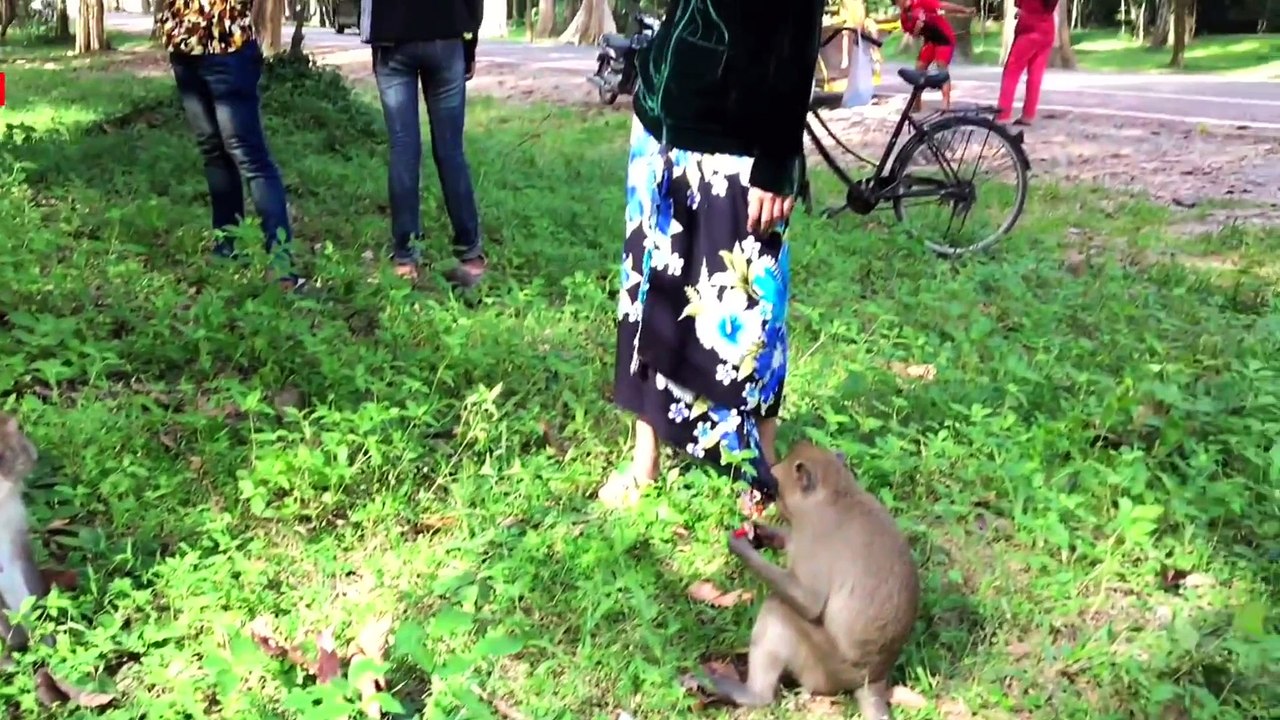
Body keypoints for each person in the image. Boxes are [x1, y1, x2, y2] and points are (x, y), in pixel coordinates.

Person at [601, 0, 826, 514]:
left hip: (737, 143)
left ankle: (762, 472)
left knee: (752, 308)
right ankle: (644, 462)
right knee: (648, 296)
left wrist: (778, 159)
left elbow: (798, 30)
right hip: (661, 123)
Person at [160, 0, 302, 290]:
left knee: (249, 157)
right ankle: (226, 249)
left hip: (228, 45)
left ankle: (281, 264)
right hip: (185, 45)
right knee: (213, 151)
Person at [360, 0, 487, 289]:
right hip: (447, 33)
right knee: (451, 149)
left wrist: (375, 37)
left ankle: (405, 259)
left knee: (403, 148)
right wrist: (470, 42)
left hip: (393, 38)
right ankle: (470, 256)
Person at [896, 0, 975, 113]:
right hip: (930, 41)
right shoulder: (904, 17)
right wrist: (918, 27)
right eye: (898, 2)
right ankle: (917, 104)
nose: (902, 3)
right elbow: (914, 35)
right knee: (919, 68)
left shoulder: (921, 2)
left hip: (944, 38)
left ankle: (945, 105)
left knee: (941, 69)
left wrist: (965, 10)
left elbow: (944, 5)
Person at [996, 0, 1059, 125]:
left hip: (1028, 29)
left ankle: (1003, 114)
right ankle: (1028, 114)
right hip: (1047, 30)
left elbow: (1018, 5)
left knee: (1011, 72)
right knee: (1036, 74)